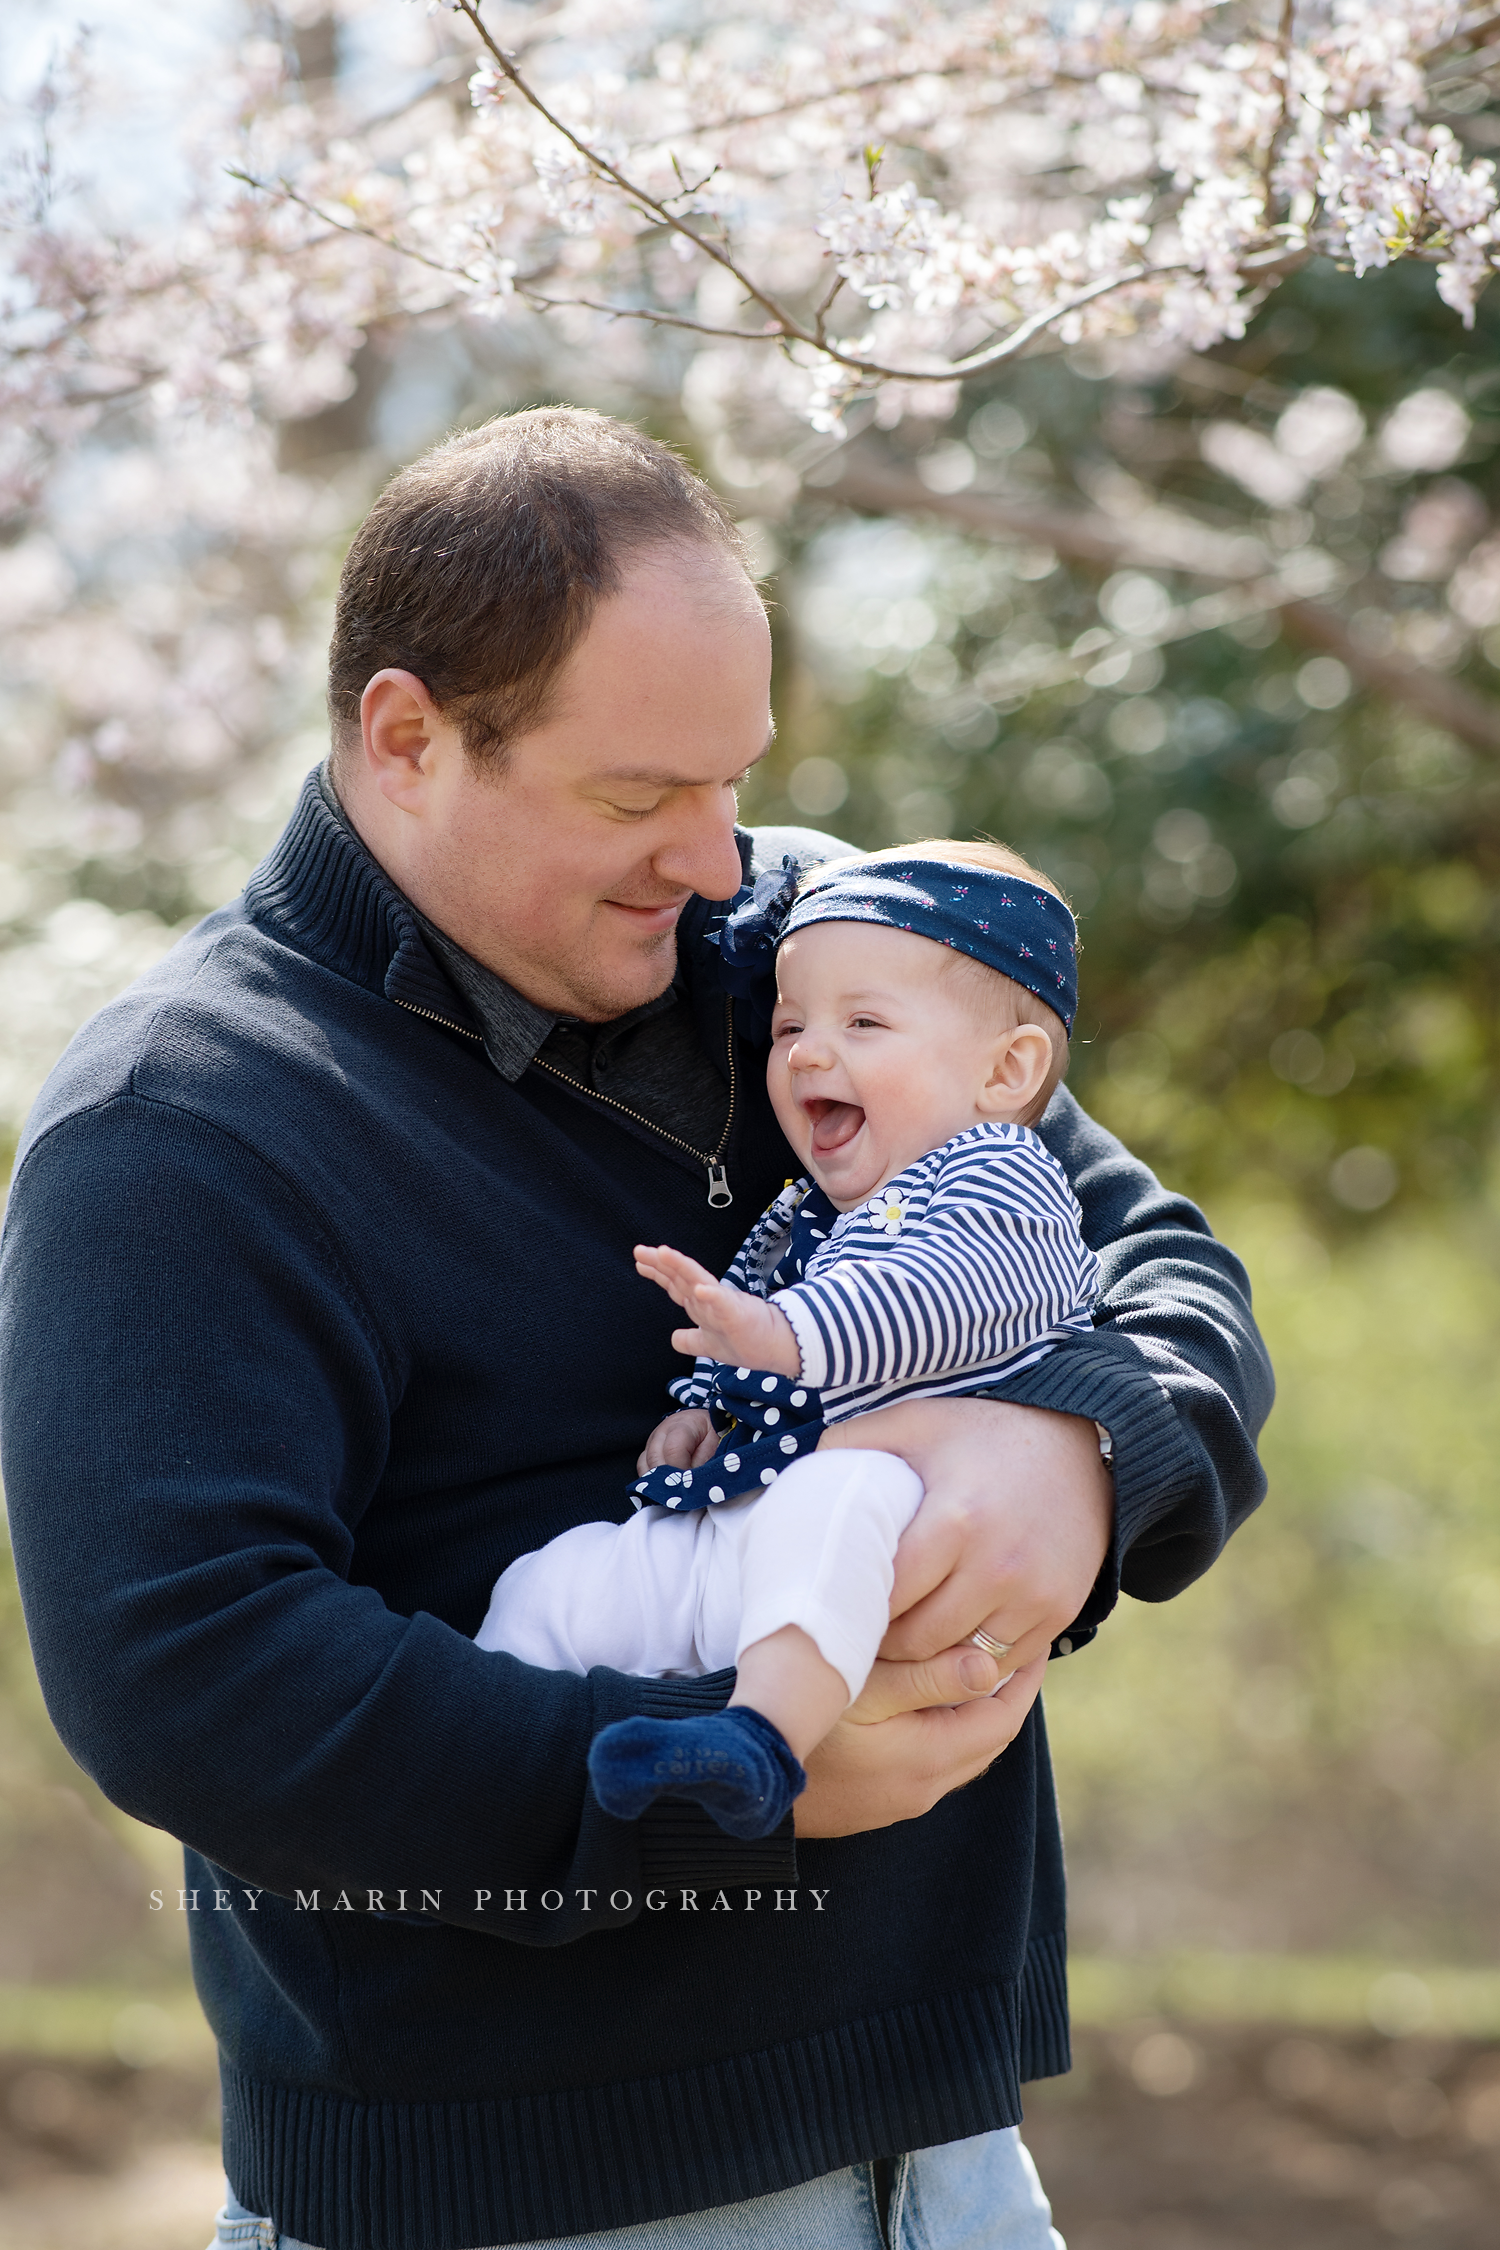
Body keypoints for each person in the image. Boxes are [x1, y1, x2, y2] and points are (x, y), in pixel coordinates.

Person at [0, 407, 1273, 2250]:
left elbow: (1158, 1265)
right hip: (520, 2209)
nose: (716, 853)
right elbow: (189, 1679)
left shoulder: (822, 959)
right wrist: (722, 1787)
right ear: (409, 736)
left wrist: (1080, 1448)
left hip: (960, 2164)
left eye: (733, 778)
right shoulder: (181, 1124)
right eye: (636, 796)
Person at [477, 844, 1102, 1844]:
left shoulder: (997, 1176)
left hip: (898, 1508)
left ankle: (756, 1739)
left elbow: (935, 1298)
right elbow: (756, 1328)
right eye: (789, 1025)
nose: (809, 1052)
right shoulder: (813, 1207)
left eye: (863, 1023)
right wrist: (698, 1411)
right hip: (743, 1508)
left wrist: (780, 1334)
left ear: (1007, 1070)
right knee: (561, 1578)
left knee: (830, 1510)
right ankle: (512, 1747)